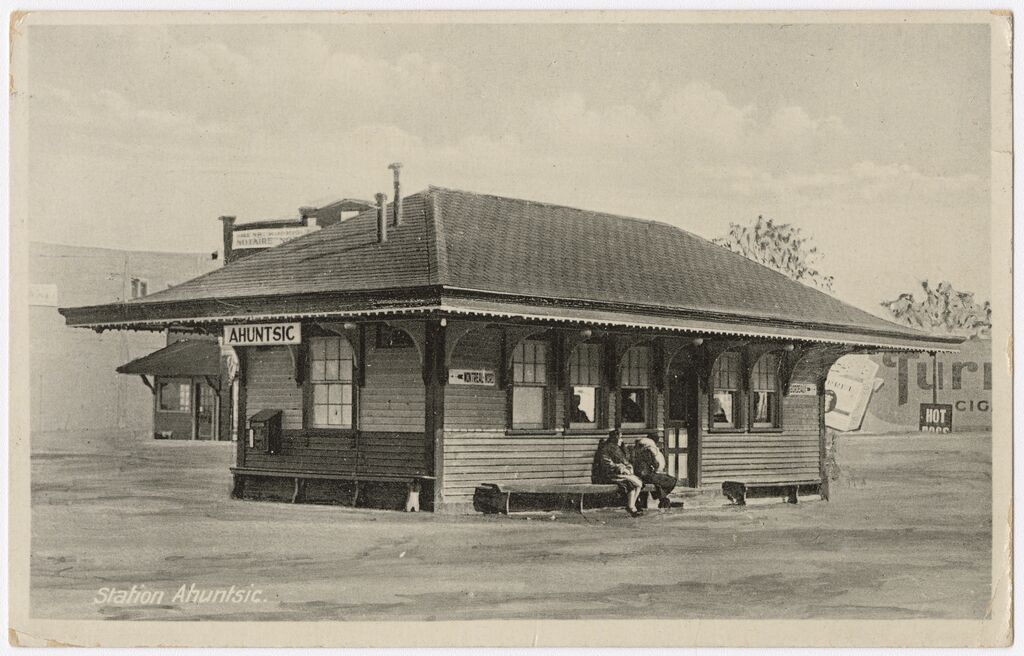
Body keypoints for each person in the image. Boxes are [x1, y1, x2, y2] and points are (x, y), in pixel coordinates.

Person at [592, 429, 645, 517]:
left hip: (618, 474)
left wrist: (628, 467)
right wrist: (621, 468)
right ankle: (631, 507)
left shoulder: (618, 449)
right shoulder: (605, 449)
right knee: (631, 484)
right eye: (620, 438)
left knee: (638, 483)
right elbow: (607, 464)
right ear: (615, 438)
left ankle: (632, 505)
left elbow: (625, 462)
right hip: (608, 475)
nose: (621, 440)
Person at [631, 433, 679, 509]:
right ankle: (663, 500)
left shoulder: (635, 451)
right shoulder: (648, 451)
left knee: (658, 483)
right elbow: (656, 464)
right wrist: (655, 454)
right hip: (646, 475)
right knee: (671, 480)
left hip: (638, 475)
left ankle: (663, 500)